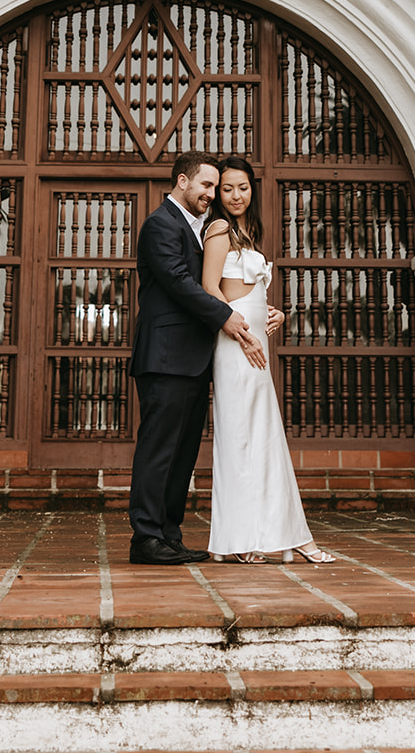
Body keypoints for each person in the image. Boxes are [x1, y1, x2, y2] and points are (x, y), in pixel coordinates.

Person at [128, 150, 266, 566]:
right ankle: (145, 537)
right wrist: (227, 316)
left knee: (183, 454)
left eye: (214, 186)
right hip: (164, 358)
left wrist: (259, 307)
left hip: (194, 360)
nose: (211, 193)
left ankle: (169, 535)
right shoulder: (160, 224)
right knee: (158, 450)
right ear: (182, 182)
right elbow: (179, 281)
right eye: (206, 185)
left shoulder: (201, 228)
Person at [202, 155, 336, 564]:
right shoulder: (220, 228)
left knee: (262, 439)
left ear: (252, 189)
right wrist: (244, 332)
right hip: (236, 347)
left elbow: (243, 289)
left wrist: (273, 311)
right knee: (241, 440)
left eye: (242, 187)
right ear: (218, 195)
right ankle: (244, 540)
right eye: (227, 189)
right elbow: (209, 288)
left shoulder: (248, 232)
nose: (236, 195)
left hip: (253, 347)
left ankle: (273, 535)